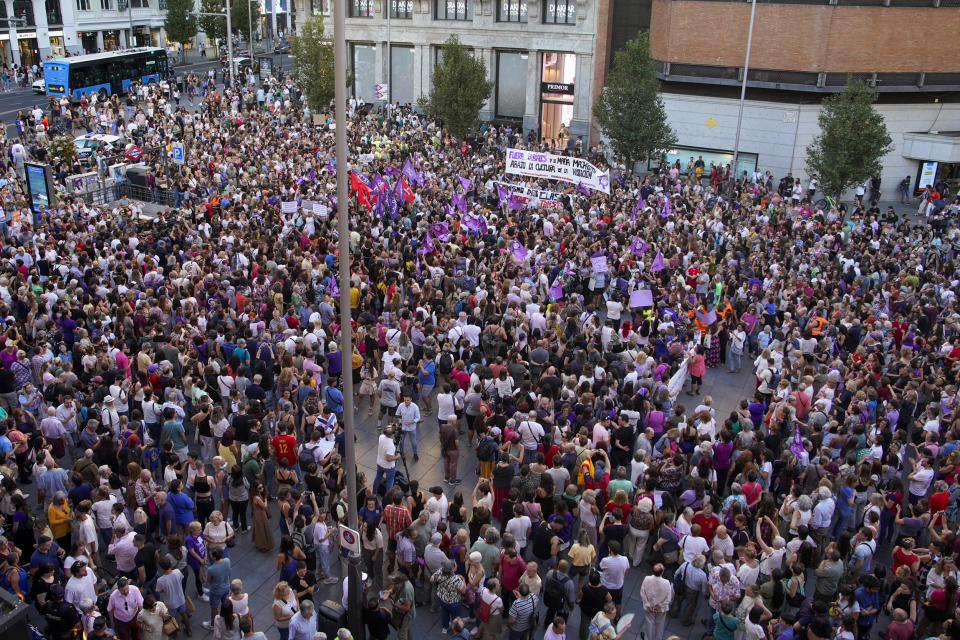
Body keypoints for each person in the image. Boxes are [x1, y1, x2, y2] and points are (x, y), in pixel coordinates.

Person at [639, 563, 672, 640]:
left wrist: (648, 605)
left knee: (649, 623)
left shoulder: (647, 579)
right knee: (660, 625)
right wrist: (659, 606)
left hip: (649, 607)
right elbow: (668, 599)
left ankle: (648, 638)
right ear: (662, 572)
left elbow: (642, 593)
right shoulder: (666, 583)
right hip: (661, 609)